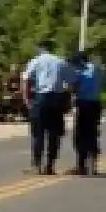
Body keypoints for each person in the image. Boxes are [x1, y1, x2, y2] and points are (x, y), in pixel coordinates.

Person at [21, 39, 74, 175]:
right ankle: (50, 165)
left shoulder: (36, 61)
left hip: (41, 98)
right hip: (56, 99)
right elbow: (70, 82)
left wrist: (27, 99)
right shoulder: (61, 62)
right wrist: (67, 101)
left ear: (41, 48)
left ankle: (37, 165)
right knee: (54, 134)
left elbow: (26, 80)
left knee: (38, 133)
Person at [68, 49, 103, 175]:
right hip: (95, 103)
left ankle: (81, 165)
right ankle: (93, 164)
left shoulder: (81, 71)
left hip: (83, 103)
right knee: (93, 133)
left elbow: (76, 87)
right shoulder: (97, 69)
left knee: (80, 135)